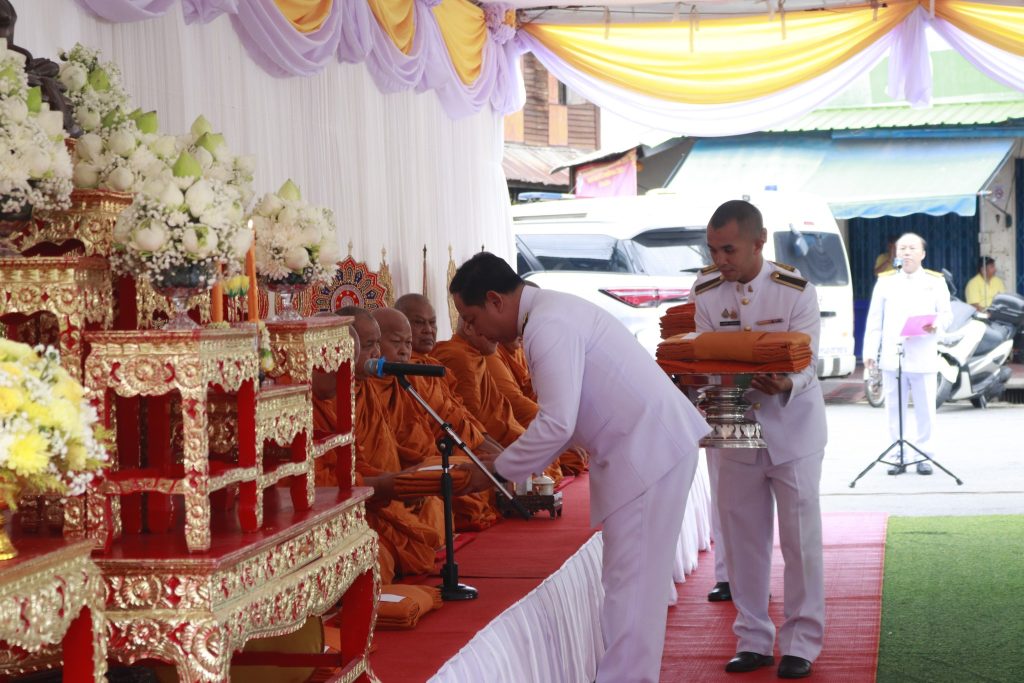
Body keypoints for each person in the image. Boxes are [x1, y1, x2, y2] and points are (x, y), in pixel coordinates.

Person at [450, 252, 709, 683]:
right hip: (645, 451)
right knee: (631, 591)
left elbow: (557, 423)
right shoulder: (549, 313)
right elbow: (565, 420)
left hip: (647, 453)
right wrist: (509, 462)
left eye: (472, 318)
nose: (473, 330)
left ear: (495, 300)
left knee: (631, 594)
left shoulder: (548, 324)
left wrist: (496, 471)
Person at [691, 199, 827, 679]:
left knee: (800, 541)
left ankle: (801, 643)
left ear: (759, 242)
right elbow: (706, 359)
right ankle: (753, 639)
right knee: (742, 539)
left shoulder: (795, 290)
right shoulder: (706, 292)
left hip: (792, 426)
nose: (720, 260)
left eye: (728, 249)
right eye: (713, 250)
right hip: (734, 421)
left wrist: (787, 381)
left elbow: (809, 361)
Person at [312, 306, 444, 584]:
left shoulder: (359, 389)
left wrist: (401, 479)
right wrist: (384, 485)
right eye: (368, 345)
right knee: (379, 562)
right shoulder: (297, 404)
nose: (375, 354)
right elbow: (311, 484)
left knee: (425, 536)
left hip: (370, 496)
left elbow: (358, 459)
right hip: (329, 513)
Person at [370, 307, 499, 531]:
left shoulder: (414, 376)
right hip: (387, 483)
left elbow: (461, 417)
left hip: (426, 464)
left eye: (407, 343)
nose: (404, 351)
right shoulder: (368, 388)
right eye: (397, 342)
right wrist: (413, 474)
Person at [862, 233, 952, 475]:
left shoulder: (935, 281)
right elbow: (874, 320)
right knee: (894, 409)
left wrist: (936, 325)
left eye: (912, 248)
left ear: (923, 254)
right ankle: (897, 454)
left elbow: (946, 315)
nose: (906, 252)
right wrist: (870, 351)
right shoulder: (886, 282)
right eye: (902, 248)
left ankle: (924, 456)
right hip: (893, 356)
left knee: (925, 410)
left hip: (923, 353)